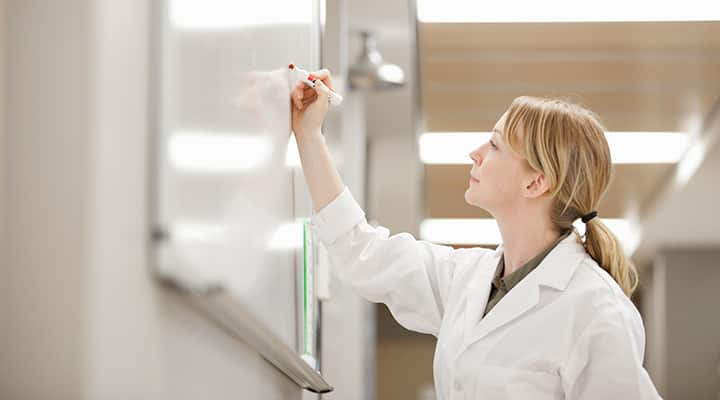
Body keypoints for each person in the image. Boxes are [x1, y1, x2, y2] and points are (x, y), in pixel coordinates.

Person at [290, 70, 662, 399]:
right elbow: (362, 252)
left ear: (536, 182)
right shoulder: (468, 279)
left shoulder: (596, 308)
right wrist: (309, 136)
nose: (475, 152)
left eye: (495, 145)